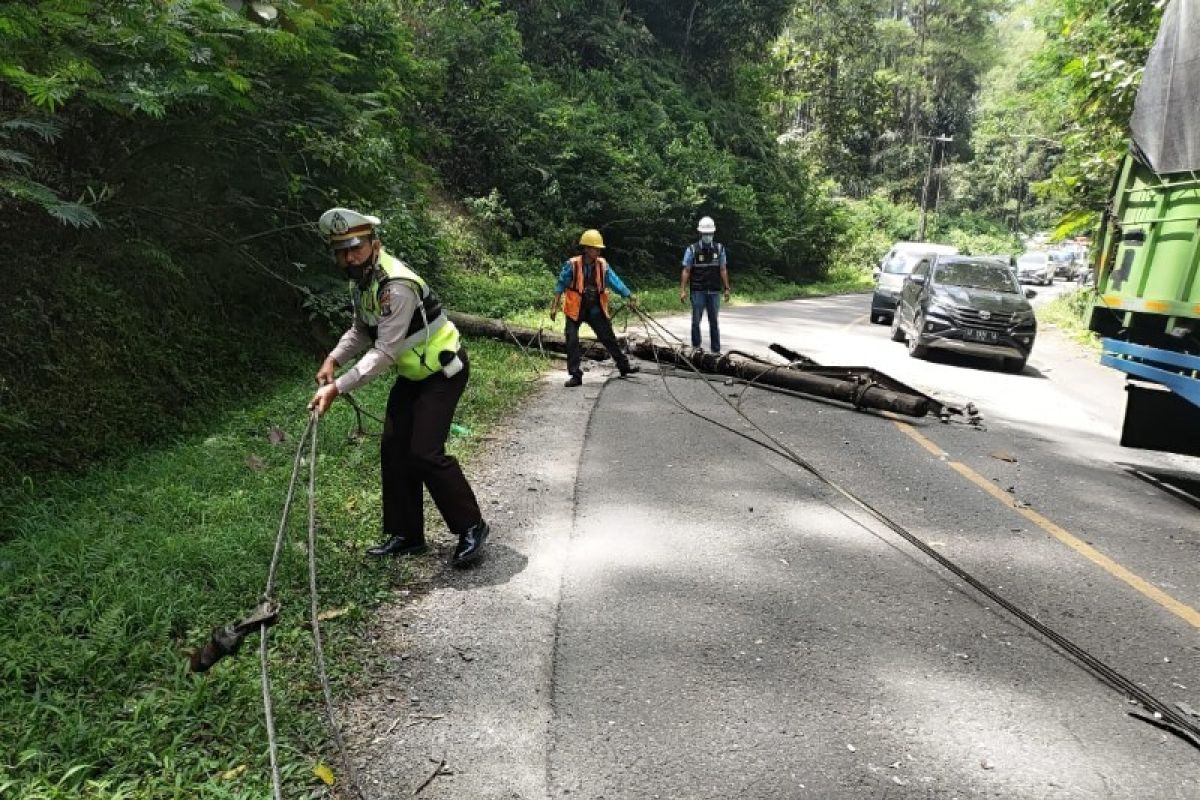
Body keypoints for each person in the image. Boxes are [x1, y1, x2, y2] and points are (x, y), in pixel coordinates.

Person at [308, 207, 489, 567]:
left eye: (355, 248)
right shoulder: (363, 282)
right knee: (394, 447)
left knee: (425, 451)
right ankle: (408, 535)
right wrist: (333, 358)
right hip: (413, 374)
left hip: (442, 371)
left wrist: (338, 388)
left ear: (374, 244)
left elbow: (384, 351)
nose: (348, 258)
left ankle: (472, 526)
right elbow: (361, 329)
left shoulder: (398, 285)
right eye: (341, 251)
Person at [549, 229, 641, 387]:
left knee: (608, 337)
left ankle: (624, 367)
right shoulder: (572, 264)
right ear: (586, 248)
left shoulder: (602, 265)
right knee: (571, 339)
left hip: (594, 309)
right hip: (575, 309)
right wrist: (554, 306)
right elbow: (560, 284)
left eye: (599, 249)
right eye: (595, 248)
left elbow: (615, 282)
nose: (598, 251)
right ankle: (575, 375)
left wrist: (629, 295)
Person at [679, 216, 731, 353]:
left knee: (714, 322)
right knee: (696, 321)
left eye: (710, 234)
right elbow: (686, 270)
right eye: (705, 234)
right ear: (701, 234)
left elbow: (723, 269)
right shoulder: (692, 250)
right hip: (698, 291)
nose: (708, 236)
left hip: (714, 291)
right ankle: (696, 348)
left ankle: (716, 351)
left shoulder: (719, 249)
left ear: (713, 233)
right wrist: (682, 290)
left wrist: (726, 288)